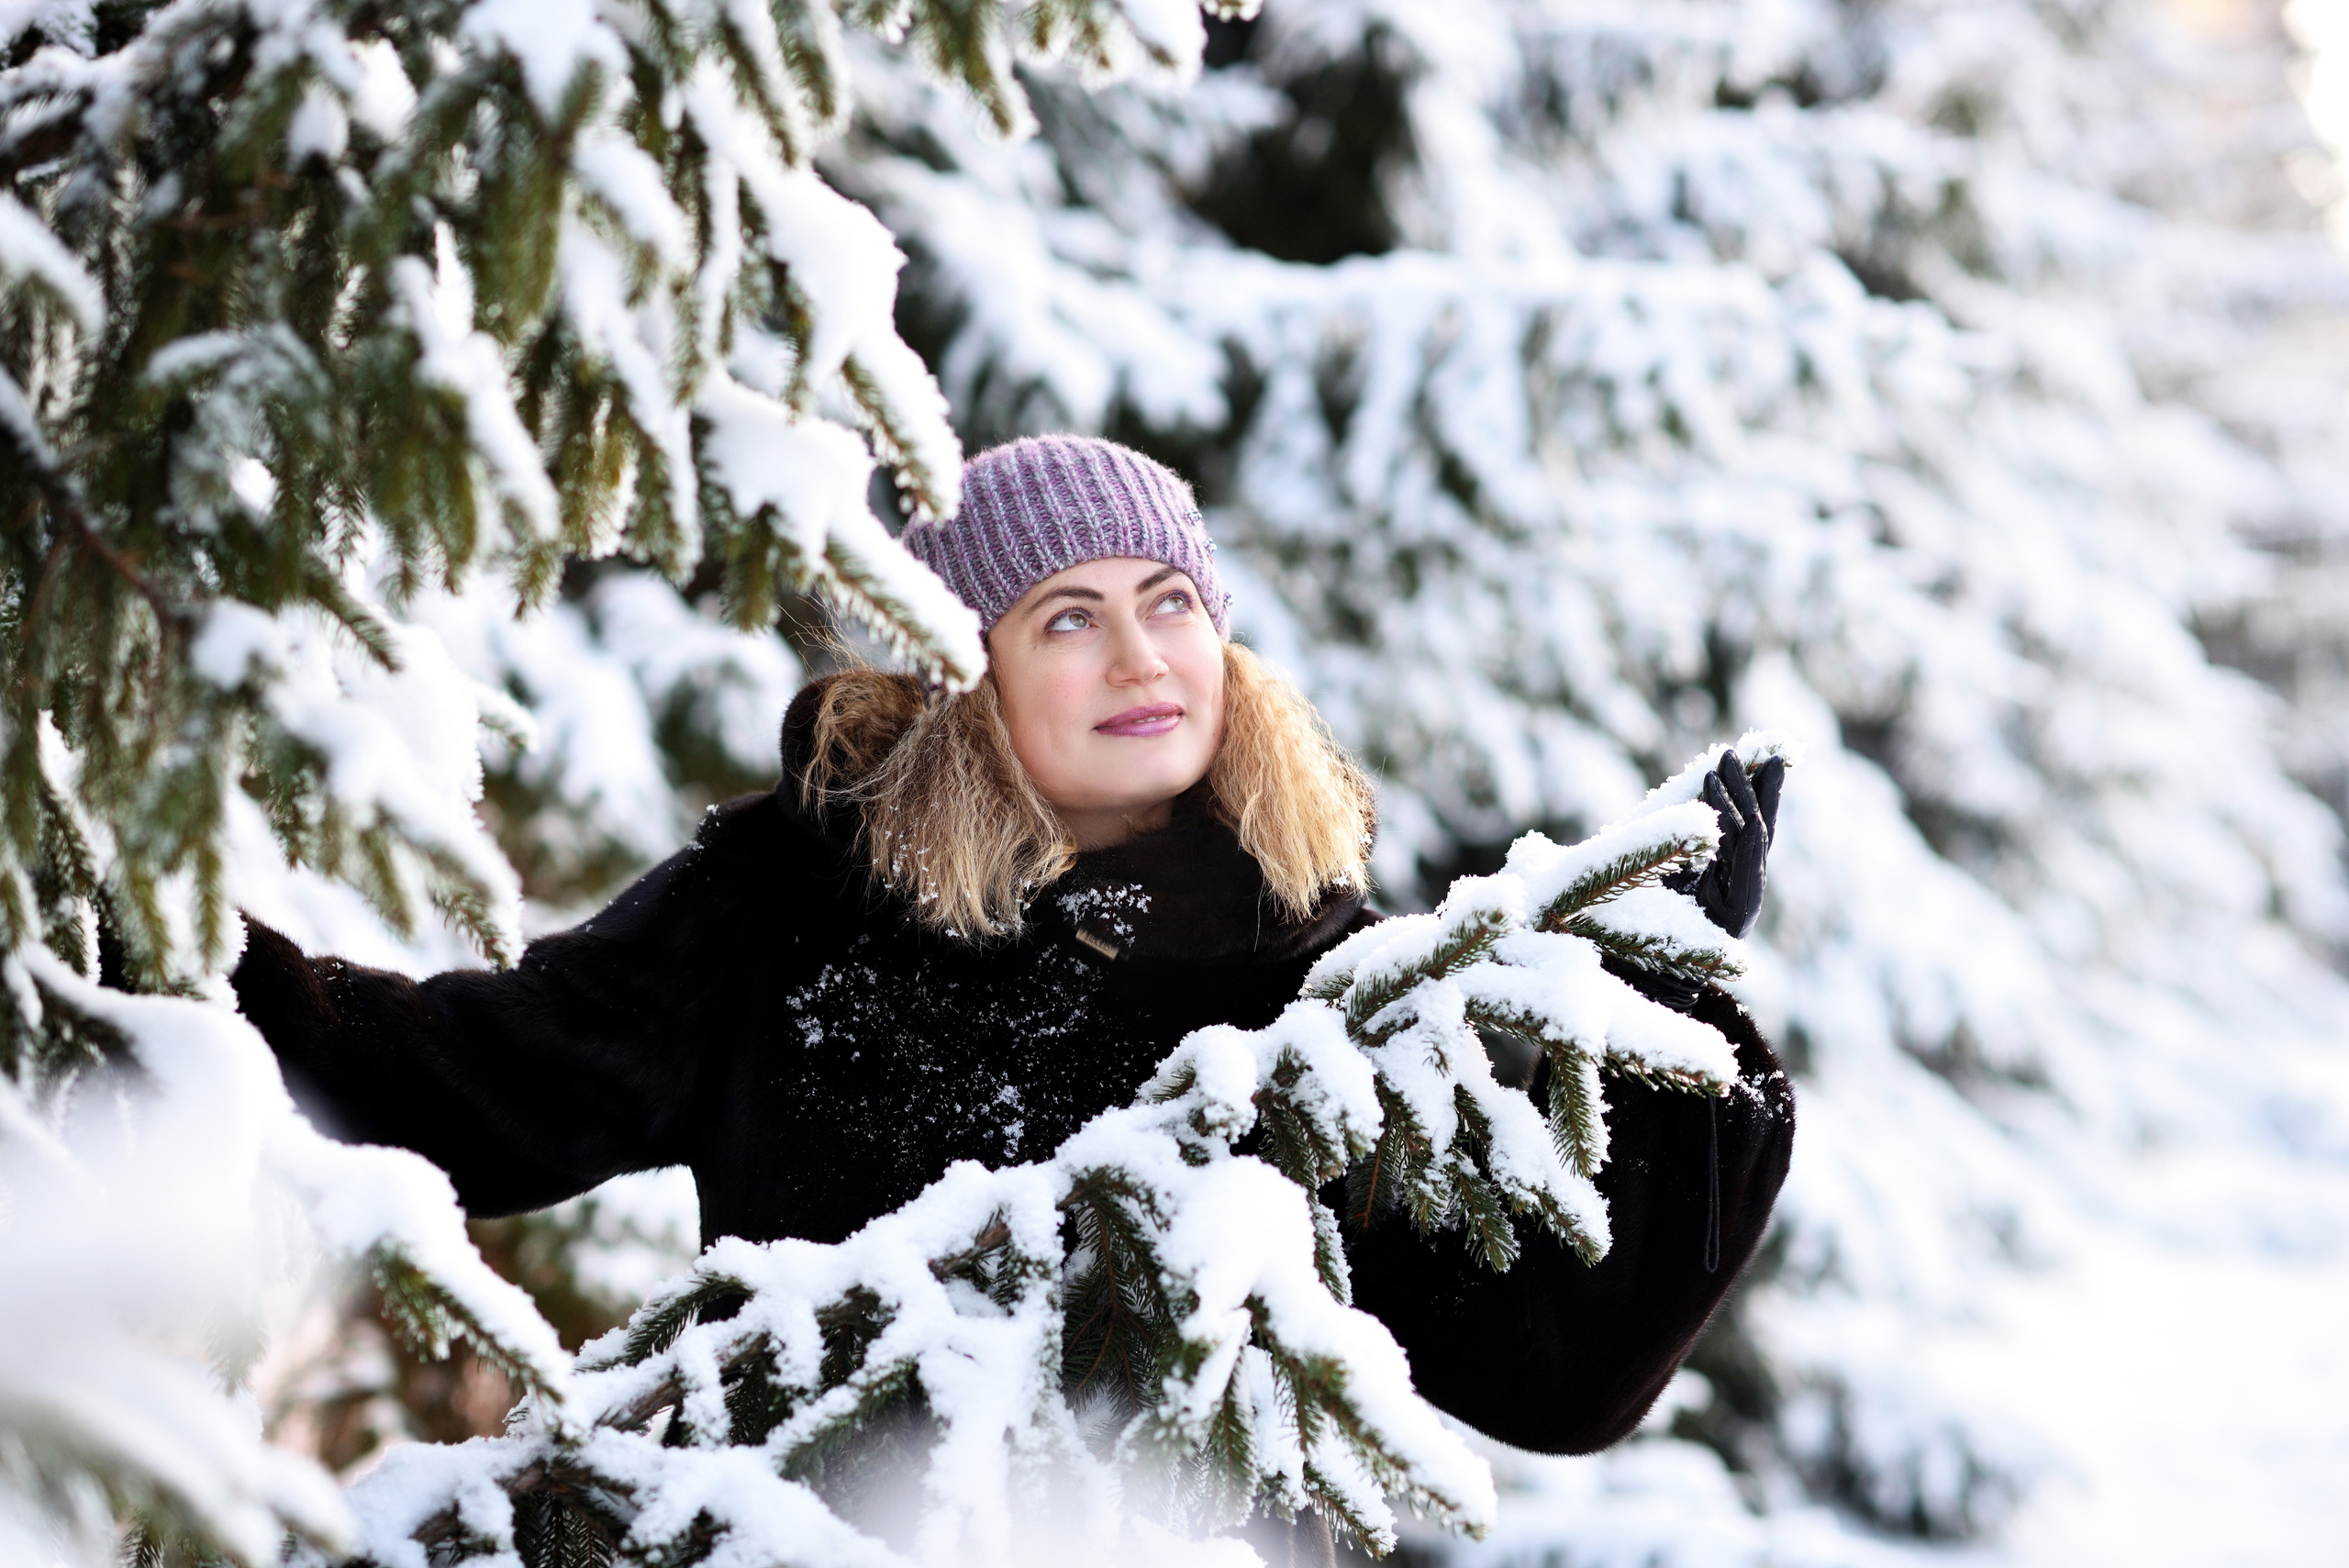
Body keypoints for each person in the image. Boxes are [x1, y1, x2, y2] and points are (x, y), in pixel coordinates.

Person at [230, 435, 1793, 1482]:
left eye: (1171, 604)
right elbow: (470, 1091)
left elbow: (1547, 1372)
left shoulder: (1317, 981)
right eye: (1067, 617)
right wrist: (156, 951)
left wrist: (1671, 1008)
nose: (1138, 657)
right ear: (965, 670)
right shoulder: (793, 898)